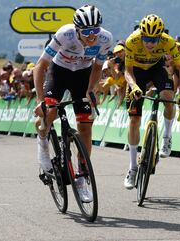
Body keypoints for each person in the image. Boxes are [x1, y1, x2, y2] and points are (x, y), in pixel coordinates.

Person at [33, 5, 113, 202]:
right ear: (77, 30)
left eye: (95, 30)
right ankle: (43, 144)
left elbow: (97, 66)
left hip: (82, 76)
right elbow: (40, 66)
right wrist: (40, 100)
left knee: (86, 126)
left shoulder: (105, 39)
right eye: (87, 32)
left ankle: (82, 177)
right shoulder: (65, 34)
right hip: (58, 73)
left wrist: (91, 89)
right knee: (49, 112)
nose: (92, 36)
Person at [123, 14, 180, 189]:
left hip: (156, 69)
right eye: (147, 38)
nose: (150, 43)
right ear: (141, 34)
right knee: (134, 119)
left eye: (154, 39)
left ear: (160, 36)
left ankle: (167, 135)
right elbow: (127, 72)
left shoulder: (168, 42)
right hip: (137, 73)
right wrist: (134, 87)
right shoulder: (132, 41)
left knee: (168, 97)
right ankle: (133, 167)